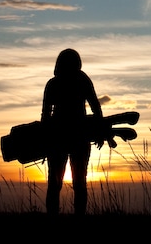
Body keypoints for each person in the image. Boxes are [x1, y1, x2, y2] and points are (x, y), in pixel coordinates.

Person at [41, 48, 102, 215]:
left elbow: (45, 115)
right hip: (74, 136)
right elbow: (96, 107)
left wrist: (100, 131)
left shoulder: (54, 83)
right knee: (76, 183)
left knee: (57, 183)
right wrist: (100, 131)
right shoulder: (81, 80)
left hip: (63, 136)